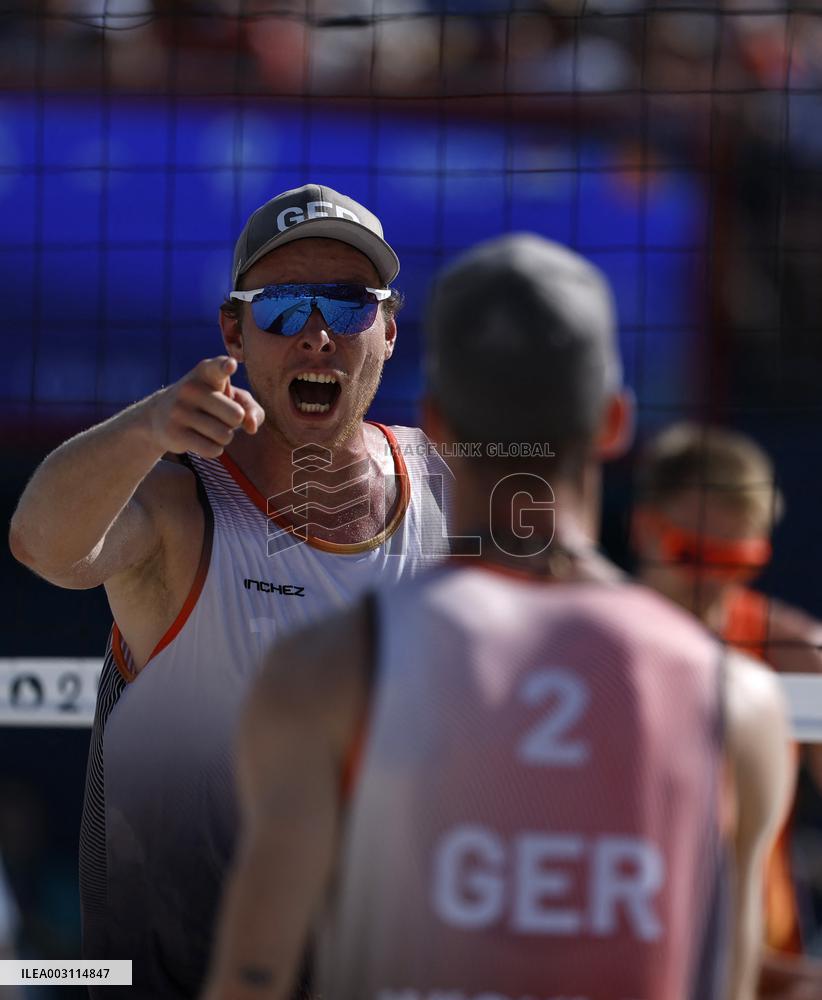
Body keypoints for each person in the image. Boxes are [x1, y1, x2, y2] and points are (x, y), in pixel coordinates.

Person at [203, 234, 793, 1000]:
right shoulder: (735, 703)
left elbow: (253, 981)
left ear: (436, 424)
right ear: (614, 423)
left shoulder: (328, 672)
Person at [8, 183, 451, 998]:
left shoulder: (456, 492)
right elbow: (42, 545)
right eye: (284, 307)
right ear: (233, 331)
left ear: (388, 328)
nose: (317, 334)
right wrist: (146, 427)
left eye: (348, 307)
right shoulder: (181, 505)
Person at [632, 422, 822, 997]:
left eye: (738, 560)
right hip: (630, 958)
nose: (713, 583)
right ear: (644, 529)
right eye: (693, 555)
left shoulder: (795, 660)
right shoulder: (594, 650)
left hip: (766, 966)